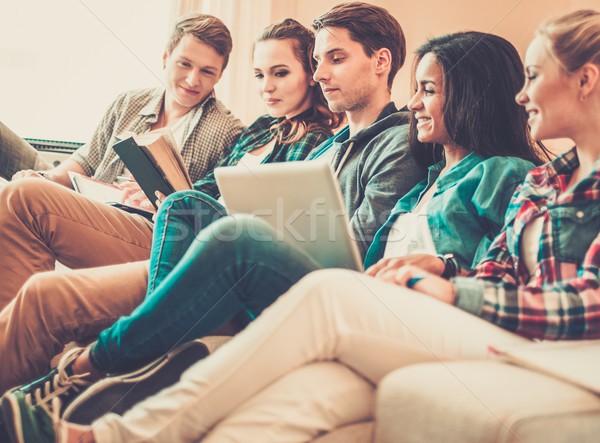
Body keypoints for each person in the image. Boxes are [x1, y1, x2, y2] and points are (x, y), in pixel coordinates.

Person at [10, 9, 597, 443]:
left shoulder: (502, 172)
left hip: (458, 321)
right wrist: (447, 267)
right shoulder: (534, 182)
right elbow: (492, 262)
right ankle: (90, 436)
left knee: (243, 244)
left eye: (428, 90)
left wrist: (451, 280)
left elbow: (571, 300)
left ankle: (109, 365)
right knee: (289, 399)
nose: (523, 94)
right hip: (385, 293)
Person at [0, 0, 425, 409]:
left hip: (284, 280)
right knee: (176, 209)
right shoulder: (327, 146)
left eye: (335, 59)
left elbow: (363, 245)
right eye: (317, 61)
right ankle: (131, 345)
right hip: (232, 253)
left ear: (381, 61)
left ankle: (135, 353)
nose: (321, 74)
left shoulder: (396, 141)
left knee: (52, 270)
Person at [0, 13, 244, 309]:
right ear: (165, 57)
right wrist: (46, 180)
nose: (193, 80)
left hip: (134, 226)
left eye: (207, 71)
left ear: (220, 75)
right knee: (24, 181)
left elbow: (213, 213)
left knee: (20, 198)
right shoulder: (130, 102)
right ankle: (18, 326)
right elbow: (84, 163)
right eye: (185, 64)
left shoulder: (227, 132)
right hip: (85, 197)